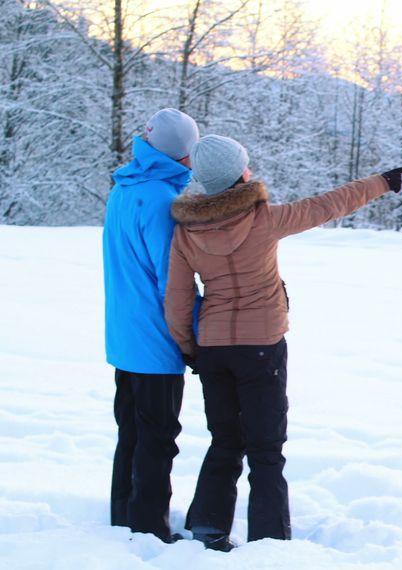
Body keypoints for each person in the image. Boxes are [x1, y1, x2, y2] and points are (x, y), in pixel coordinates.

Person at [164, 134, 402, 551]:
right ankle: (270, 542)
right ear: (239, 175)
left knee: (224, 440)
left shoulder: (186, 232)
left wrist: (189, 347)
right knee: (266, 448)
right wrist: (381, 182)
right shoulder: (264, 219)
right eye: (246, 165)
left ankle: (207, 526)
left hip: (215, 348)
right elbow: (328, 204)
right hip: (262, 347)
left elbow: (177, 299)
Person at [103, 108, 200, 543]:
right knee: (158, 439)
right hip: (155, 342)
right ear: (182, 155)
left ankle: (123, 514)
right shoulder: (161, 201)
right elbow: (172, 281)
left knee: (132, 432)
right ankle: (148, 528)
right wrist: (195, 335)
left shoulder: (124, 188)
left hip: (123, 337)